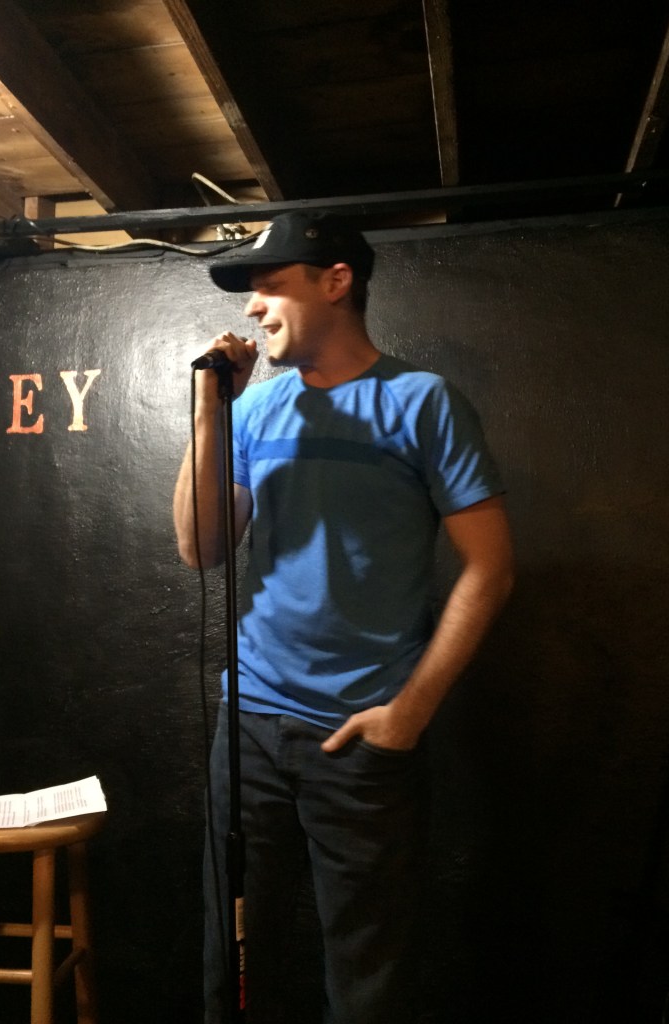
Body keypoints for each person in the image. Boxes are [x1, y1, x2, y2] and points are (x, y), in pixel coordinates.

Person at [173, 211, 514, 1024]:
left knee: (368, 976)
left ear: (336, 282)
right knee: (233, 957)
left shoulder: (422, 402)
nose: (253, 306)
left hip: (361, 740)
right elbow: (201, 548)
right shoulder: (255, 411)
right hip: (250, 728)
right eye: (250, 291)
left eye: (270, 284)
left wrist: (411, 712)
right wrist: (212, 411)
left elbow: (491, 567)